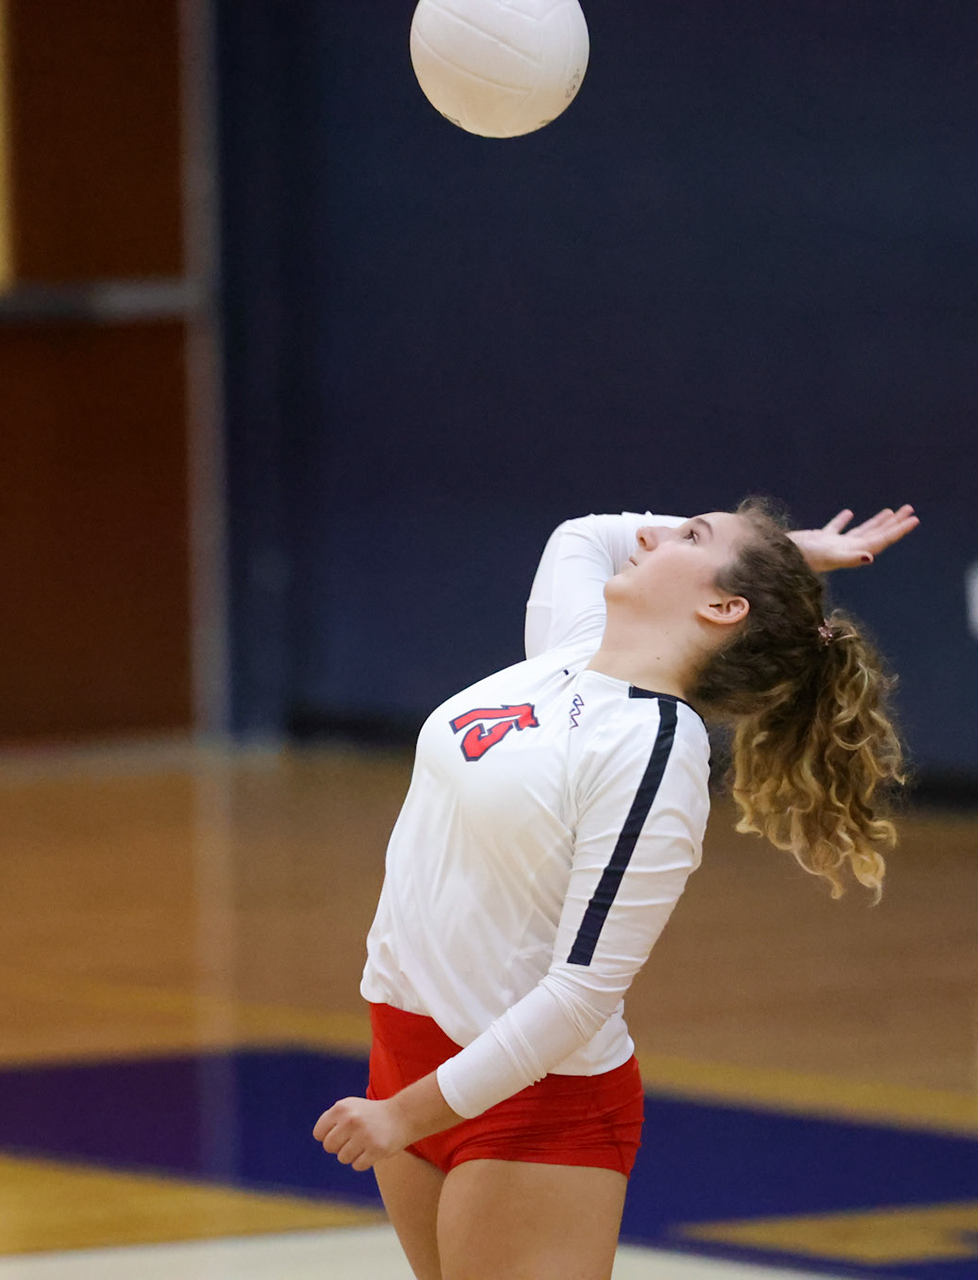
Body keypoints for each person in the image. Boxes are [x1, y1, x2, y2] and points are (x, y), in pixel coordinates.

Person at [312, 499, 919, 1280]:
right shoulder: (571, 653)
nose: (649, 535)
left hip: (531, 1102)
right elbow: (581, 534)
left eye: (688, 536)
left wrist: (407, 1113)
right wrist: (791, 552)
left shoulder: (654, 746)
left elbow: (583, 991)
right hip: (408, 1051)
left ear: (721, 606)